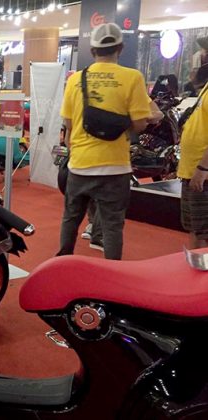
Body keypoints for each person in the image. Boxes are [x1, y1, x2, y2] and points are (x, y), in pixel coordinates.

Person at [57, 22, 152, 260]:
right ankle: (112, 272)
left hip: (80, 164)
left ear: (92, 50)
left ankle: (63, 265)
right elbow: (140, 123)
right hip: (115, 167)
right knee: (112, 226)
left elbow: (69, 123)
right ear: (120, 48)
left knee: (71, 219)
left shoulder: (76, 79)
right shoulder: (133, 78)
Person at [178, 64, 208, 249]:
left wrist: (203, 168)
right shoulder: (205, 89)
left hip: (201, 172)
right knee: (195, 228)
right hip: (192, 170)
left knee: (202, 231)